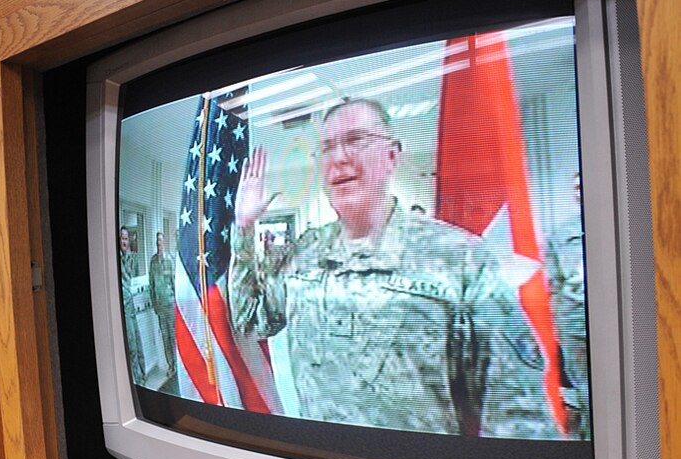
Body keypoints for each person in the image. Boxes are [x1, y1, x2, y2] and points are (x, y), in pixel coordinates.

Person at [229, 98, 559, 438]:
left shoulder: (458, 258)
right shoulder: (305, 253)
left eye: (356, 140)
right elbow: (251, 320)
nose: (339, 158)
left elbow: (519, 416)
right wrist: (244, 228)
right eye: (327, 148)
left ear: (391, 155)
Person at [545, 172, 590, 439]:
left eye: (584, 186)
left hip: (619, 323)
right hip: (575, 326)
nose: (580, 193)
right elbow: (552, 285)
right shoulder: (561, 235)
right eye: (576, 188)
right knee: (584, 386)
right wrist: (558, 326)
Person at [120, 226, 145, 383]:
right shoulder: (116, 260)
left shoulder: (131, 258)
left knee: (138, 341)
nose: (124, 242)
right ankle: (138, 380)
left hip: (131, 307)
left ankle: (142, 377)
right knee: (132, 347)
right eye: (122, 239)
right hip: (123, 308)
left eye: (126, 239)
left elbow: (135, 274)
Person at [149, 231, 176, 376]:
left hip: (170, 305)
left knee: (173, 336)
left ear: (164, 242)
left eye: (161, 240)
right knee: (165, 337)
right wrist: (154, 304)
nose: (159, 243)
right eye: (157, 241)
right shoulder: (153, 262)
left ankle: (177, 367)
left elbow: (174, 283)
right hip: (160, 307)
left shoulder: (170, 260)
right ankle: (171, 366)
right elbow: (151, 285)